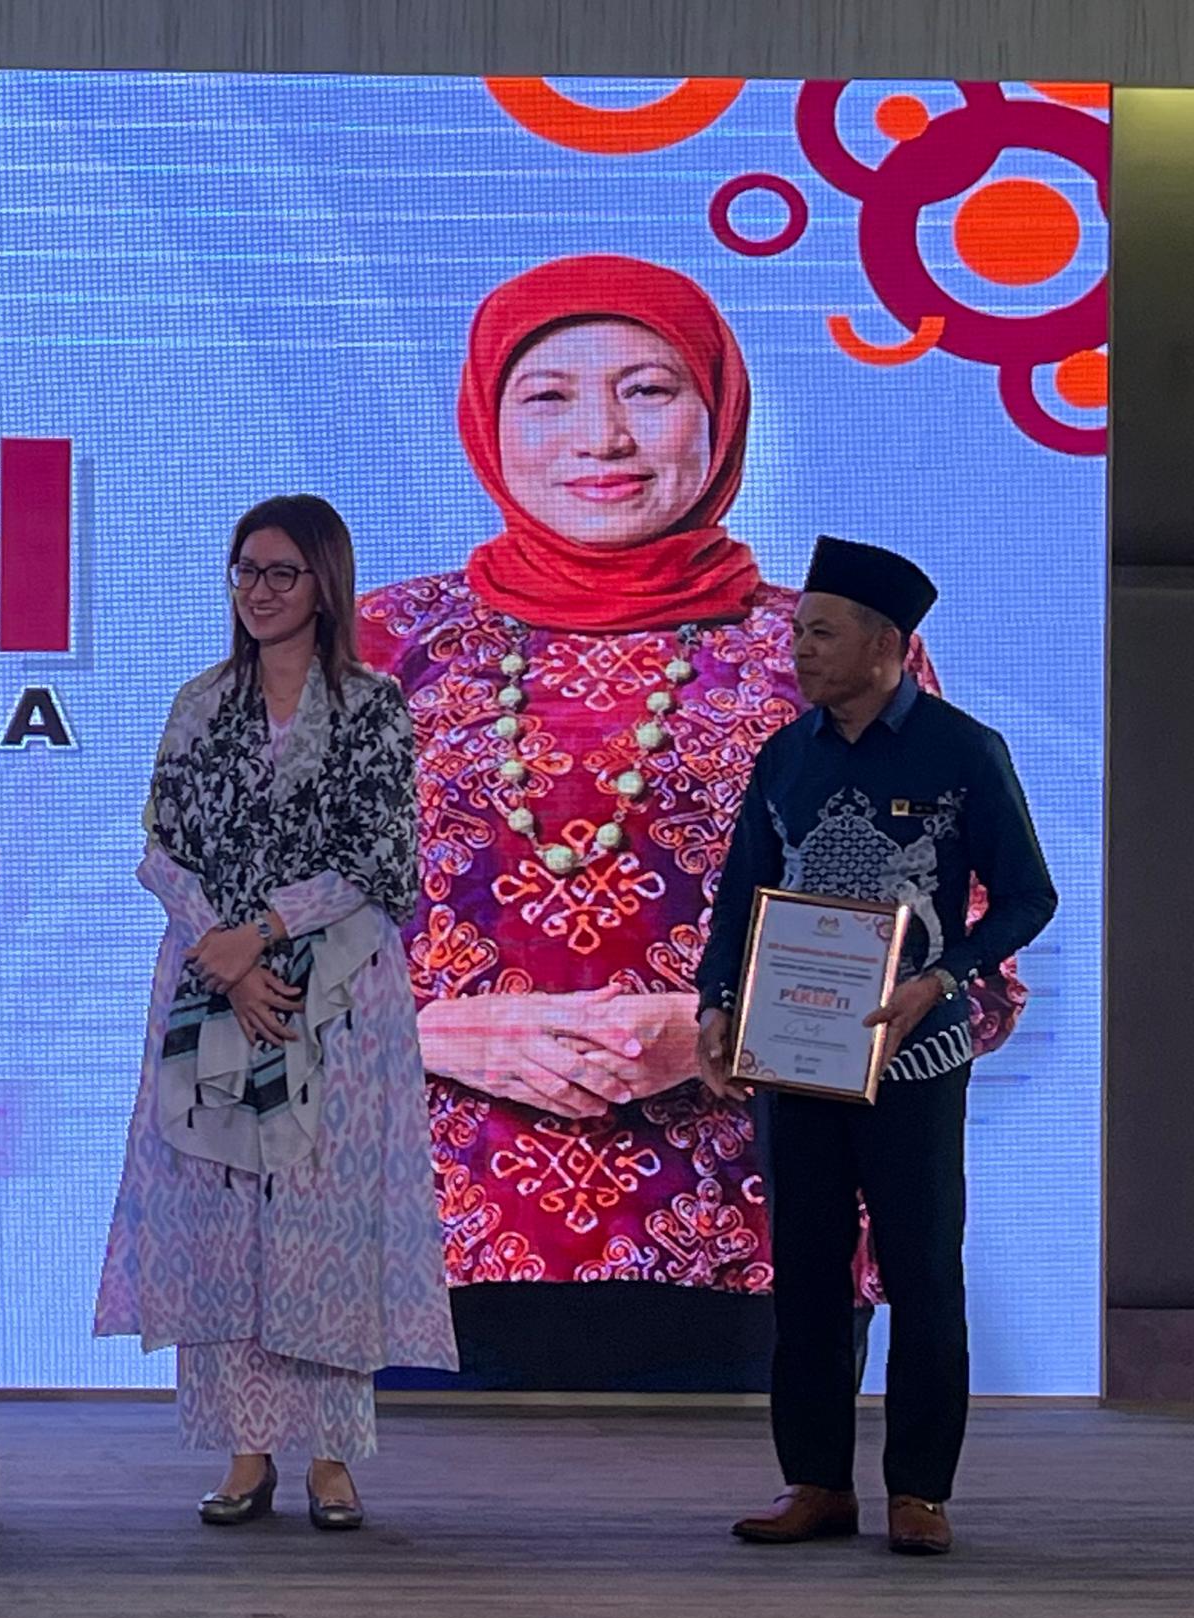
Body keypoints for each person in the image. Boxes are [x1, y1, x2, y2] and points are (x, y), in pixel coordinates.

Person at [354, 254, 1027, 1389]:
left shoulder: (840, 657)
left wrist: (722, 1027)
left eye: (648, 390)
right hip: (401, 1237)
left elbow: (968, 973)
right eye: (549, 395)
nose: (603, 437)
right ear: (484, 421)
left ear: (718, 409)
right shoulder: (377, 647)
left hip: (750, 1242)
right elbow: (237, 963)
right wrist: (429, 1033)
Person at [96, 495, 458, 1528]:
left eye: (280, 573)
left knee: (322, 1217)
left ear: (324, 584)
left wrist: (262, 934)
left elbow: (381, 861)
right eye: (245, 571)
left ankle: (331, 1455)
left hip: (333, 990)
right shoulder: (200, 702)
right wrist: (222, 950)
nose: (258, 591)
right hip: (211, 979)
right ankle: (244, 1449)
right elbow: (161, 846)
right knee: (224, 1217)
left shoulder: (373, 706)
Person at [700, 537, 1055, 1557]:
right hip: (798, 1054)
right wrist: (715, 1003)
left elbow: (1027, 897)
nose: (800, 650)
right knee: (807, 1273)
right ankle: (816, 1481)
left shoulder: (962, 750)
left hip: (916, 1058)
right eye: (798, 632)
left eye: (821, 633)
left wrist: (943, 977)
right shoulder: (786, 755)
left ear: (884, 643)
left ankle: (919, 1492)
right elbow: (741, 895)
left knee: (922, 1271)